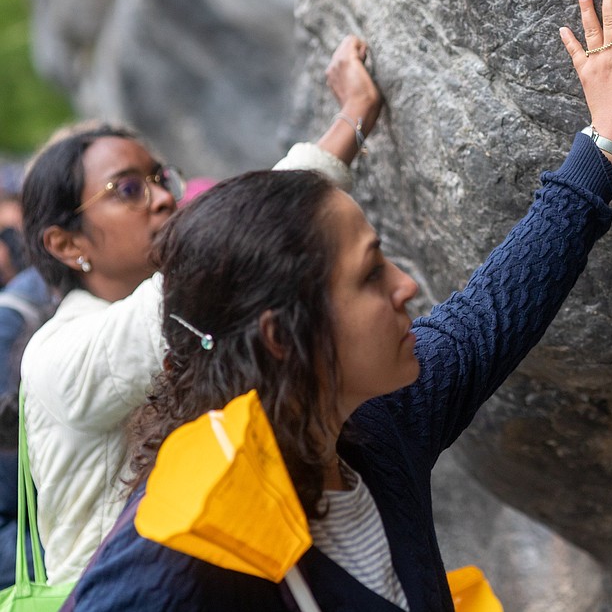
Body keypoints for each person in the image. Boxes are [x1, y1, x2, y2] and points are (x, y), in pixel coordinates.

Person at [62, 0, 612, 610]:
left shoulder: (370, 426)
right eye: (369, 274)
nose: (405, 286)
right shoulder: (182, 552)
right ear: (281, 335)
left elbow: (489, 315)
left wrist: (605, 143)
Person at [18, 35, 383, 584]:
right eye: (128, 189)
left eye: (161, 178)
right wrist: (353, 115)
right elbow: (233, 249)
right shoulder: (57, 356)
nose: (163, 197)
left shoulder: (191, 314)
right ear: (67, 245)